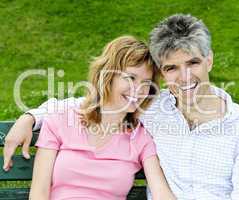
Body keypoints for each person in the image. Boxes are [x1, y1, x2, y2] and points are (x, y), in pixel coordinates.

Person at [4, 14, 239, 200]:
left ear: (209, 60)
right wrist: (30, 116)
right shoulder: (152, 105)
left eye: (193, 63)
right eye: (171, 68)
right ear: (163, 74)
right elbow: (91, 103)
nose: (185, 76)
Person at [23, 36, 175, 199]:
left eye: (146, 82)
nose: (138, 90)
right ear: (107, 77)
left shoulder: (140, 138)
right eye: (130, 78)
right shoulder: (60, 120)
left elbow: (161, 192)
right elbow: (39, 192)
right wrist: (28, 118)